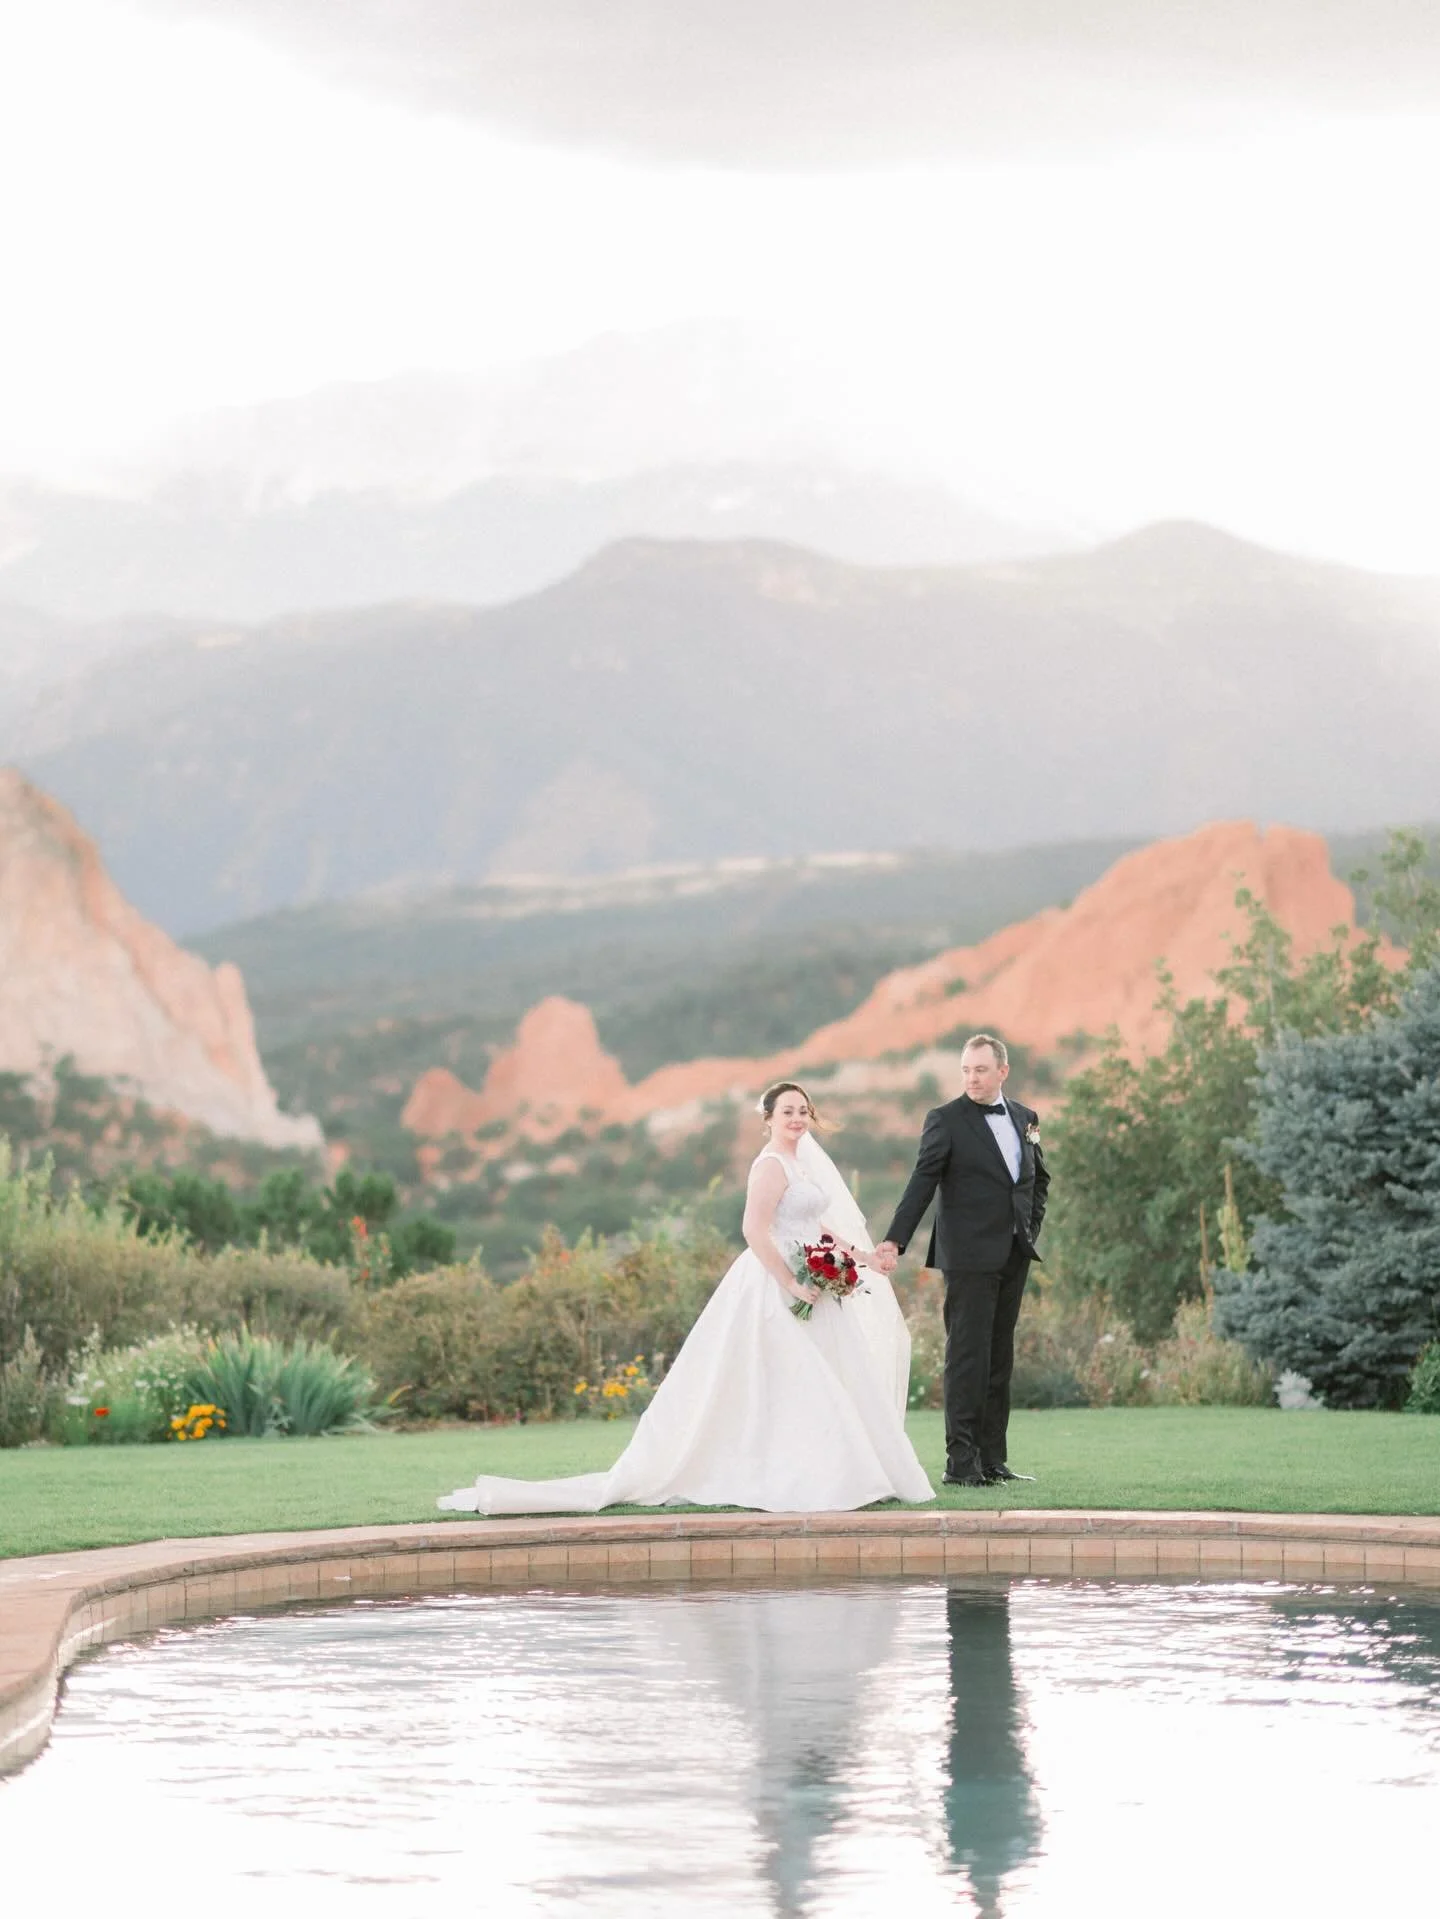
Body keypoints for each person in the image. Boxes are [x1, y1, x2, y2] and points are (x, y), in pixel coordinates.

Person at [437, 1081, 934, 1515]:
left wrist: (861, 1257)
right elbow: (753, 1230)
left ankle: (835, 1470)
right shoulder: (770, 1166)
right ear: (768, 1120)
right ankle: (793, 1474)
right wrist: (789, 1282)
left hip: (810, 1277)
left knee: (821, 1377)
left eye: (803, 1110)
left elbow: (814, 1226)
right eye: (788, 1111)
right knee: (786, 1377)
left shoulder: (801, 1166)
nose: (798, 1118)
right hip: (774, 1281)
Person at [872, 1034, 1049, 1489]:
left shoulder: (1026, 1117)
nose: (972, 1078)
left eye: (981, 1070)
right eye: (966, 1070)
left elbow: (1037, 1179)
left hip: (1014, 1252)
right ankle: (960, 1463)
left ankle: (993, 1459)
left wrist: (1028, 1229)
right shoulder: (945, 1120)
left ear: (1002, 1072)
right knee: (967, 1357)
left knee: (999, 1357)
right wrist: (895, 1239)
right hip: (968, 1257)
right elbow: (922, 1181)